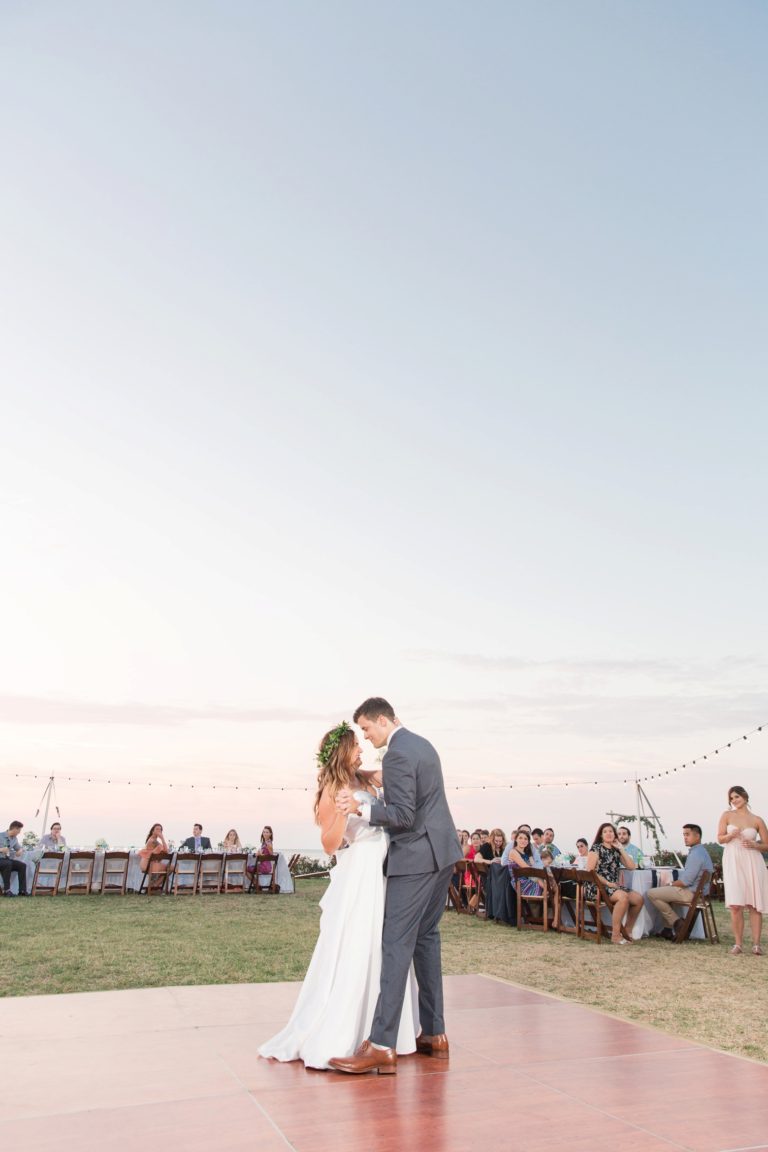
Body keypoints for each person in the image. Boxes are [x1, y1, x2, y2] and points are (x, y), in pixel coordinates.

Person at [259, 720, 419, 1070]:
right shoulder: (331, 790)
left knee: (383, 942)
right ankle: (347, 1028)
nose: (362, 748)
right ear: (343, 751)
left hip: (382, 867)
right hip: (360, 867)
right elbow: (330, 844)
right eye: (356, 746)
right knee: (358, 941)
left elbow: (392, 773)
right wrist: (344, 815)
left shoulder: (363, 778)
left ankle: (385, 1030)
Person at [329, 697, 462, 1075]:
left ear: (383, 720)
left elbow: (402, 816)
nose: (367, 739)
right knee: (426, 939)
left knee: (396, 944)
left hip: (416, 860)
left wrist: (360, 809)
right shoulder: (422, 745)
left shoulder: (397, 755)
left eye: (368, 730)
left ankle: (382, 1043)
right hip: (443, 854)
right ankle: (435, 1033)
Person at [717, 785, 768, 956]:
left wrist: (755, 845)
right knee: (736, 904)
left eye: (736, 797)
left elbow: (766, 845)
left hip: (753, 860)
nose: (734, 801)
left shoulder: (757, 820)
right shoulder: (727, 815)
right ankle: (738, 944)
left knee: (754, 905)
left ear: (745, 797)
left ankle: (756, 944)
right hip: (733, 859)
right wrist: (730, 836)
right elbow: (720, 838)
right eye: (731, 798)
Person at [646, 824, 714, 940]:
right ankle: (667, 930)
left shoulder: (696, 854)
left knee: (651, 893)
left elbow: (686, 881)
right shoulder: (702, 852)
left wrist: (671, 884)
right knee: (666, 893)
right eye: (684, 835)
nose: (685, 838)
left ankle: (676, 923)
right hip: (700, 893)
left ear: (697, 836)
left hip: (692, 894)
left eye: (687, 835)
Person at [584, 822, 644, 944]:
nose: (609, 833)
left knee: (638, 899)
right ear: (601, 835)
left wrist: (621, 848)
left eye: (611, 831)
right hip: (596, 885)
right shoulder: (596, 849)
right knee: (623, 897)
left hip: (613, 886)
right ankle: (615, 935)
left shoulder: (617, 850)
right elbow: (590, 871)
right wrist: (607, 882)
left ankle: (626, 931)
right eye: (605, 831)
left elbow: (631, 866)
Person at [506, 829, 543, 896]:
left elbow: (534, 866)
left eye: (526, 839)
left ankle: (551, 900)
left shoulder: (527, 853)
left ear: (528, 842)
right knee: (549, 888)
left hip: (529, 879)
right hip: (521, 883)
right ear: (516, 839)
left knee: (553, 885)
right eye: (520, 838)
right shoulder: (513, 852)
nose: (523, 840)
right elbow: (527, 869)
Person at [0, 821, 28, 896]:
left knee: (22, 865)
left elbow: (19, 848)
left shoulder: (14, 839)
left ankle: (22, 891)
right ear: (15, 829)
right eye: (19, 830)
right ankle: (7, 890)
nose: (19, 832)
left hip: (6, 860)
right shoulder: (0, 835)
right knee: (8, 864)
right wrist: (1, 849)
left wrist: (19, 851)